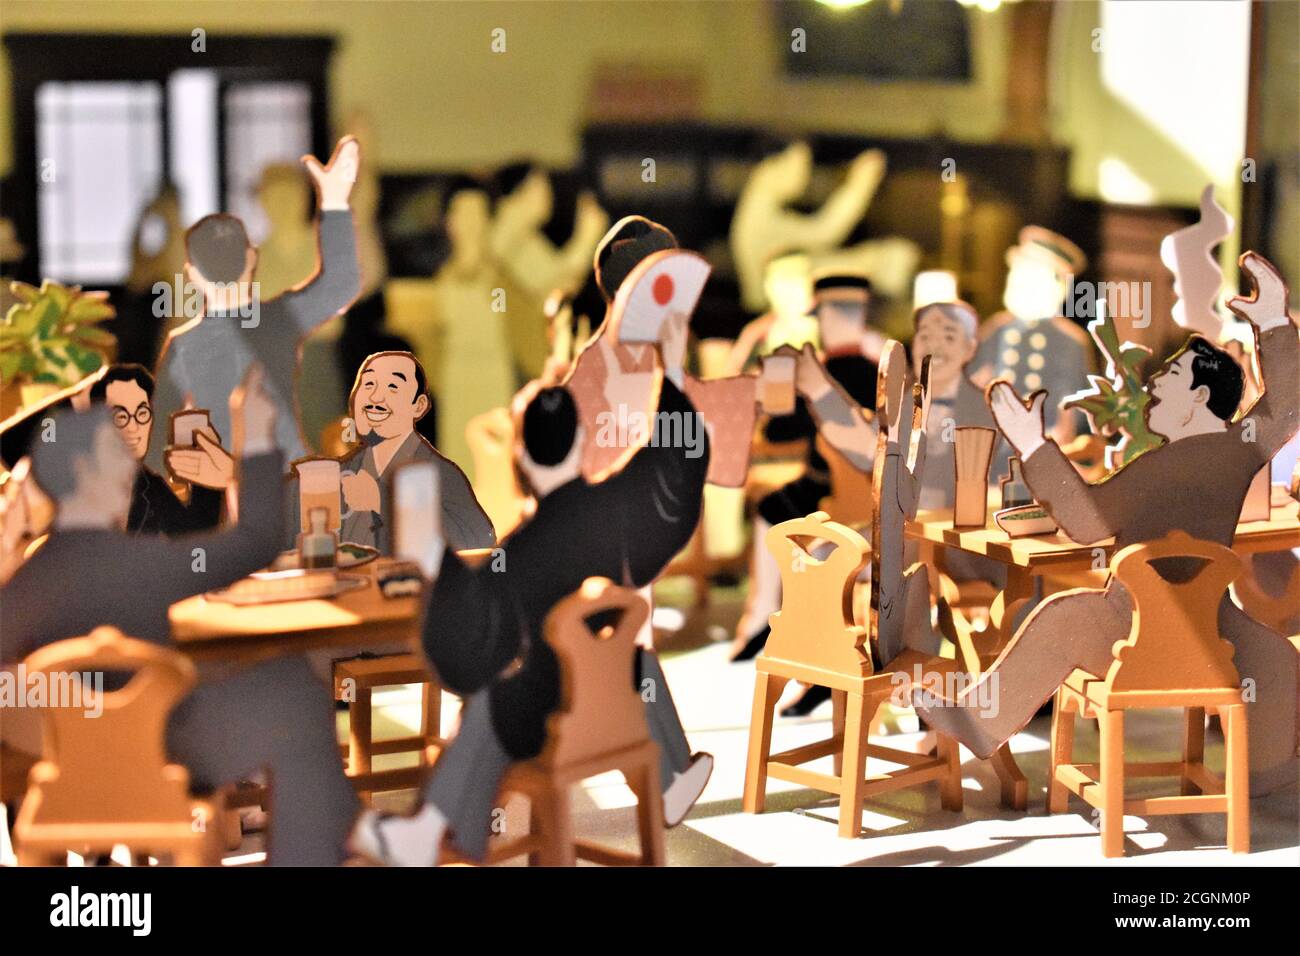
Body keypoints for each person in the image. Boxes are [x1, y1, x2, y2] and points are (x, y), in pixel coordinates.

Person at [913, 253, 1300, 796]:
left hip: (1135, 635)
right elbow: (1287, 407)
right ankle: (1266, 779)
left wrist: (1032, 444)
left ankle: (979, 722)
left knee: (1057, 616)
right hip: (1214, 635)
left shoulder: (1158, 468)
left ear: (1199, 399)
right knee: (1279, 659)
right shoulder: (1236, 450)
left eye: (1169, 377)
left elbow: (1087, 522)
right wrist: (1277, 323)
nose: (1155, 387)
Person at [350, 348, 714, 866]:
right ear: (583, 445)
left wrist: (437, 563)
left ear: (518, 458)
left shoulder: (521, 552)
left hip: (559, 719)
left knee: (487, 705)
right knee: (637, 659)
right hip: (614, 703)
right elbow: (670, 467)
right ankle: (671, 778)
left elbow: (477, 641)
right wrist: (671, 380)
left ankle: (432, 831)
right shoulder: (615, 509)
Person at [0, 366, 360, 865]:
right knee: (293, 689)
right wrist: (254, 438)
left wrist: (8, 544)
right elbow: (255, 540)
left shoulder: (25, 583)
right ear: (83, 474)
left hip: (59, 765)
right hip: (157, 753)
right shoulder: (146, 562)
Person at [147, 136, 362, 475]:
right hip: (256, 404)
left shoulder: (313, 255)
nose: (282, 202)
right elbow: (163, 423)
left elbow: (341, 285)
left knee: (324, 451)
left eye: (289, 191)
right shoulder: (206, 336)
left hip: (317, 365)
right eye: (272, 193)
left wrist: (336, 203)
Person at [731, 275, 880, 667]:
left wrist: (771, 404)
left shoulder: (821, 373)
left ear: (830, 317)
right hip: (877, 495)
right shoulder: (880, 372)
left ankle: (766, 609)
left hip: (825, 491)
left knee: (770, 508)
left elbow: (782, 432)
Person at [294, 350, 494, 553]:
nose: (376, 397)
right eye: (369, 384)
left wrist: (381, 501)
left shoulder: (437, 474)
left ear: (418, 406)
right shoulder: (349, 469)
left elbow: (477, 539)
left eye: (392, 387)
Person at [973, 226, 1093, 479]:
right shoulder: (997, 328)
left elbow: (1077, 400)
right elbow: (973, 379)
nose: (1020, 284)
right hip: (995, 448)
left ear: (1057, 286)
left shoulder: (1070, 340)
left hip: (1045, 446)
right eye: (1018, 276)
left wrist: (1062, 434)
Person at [87, 364, 227, 536]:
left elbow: (196, 534)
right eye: (120, 416)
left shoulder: (149, 487)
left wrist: (208, 479)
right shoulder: (77, 482)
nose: (133, 427)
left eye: (142, 414)